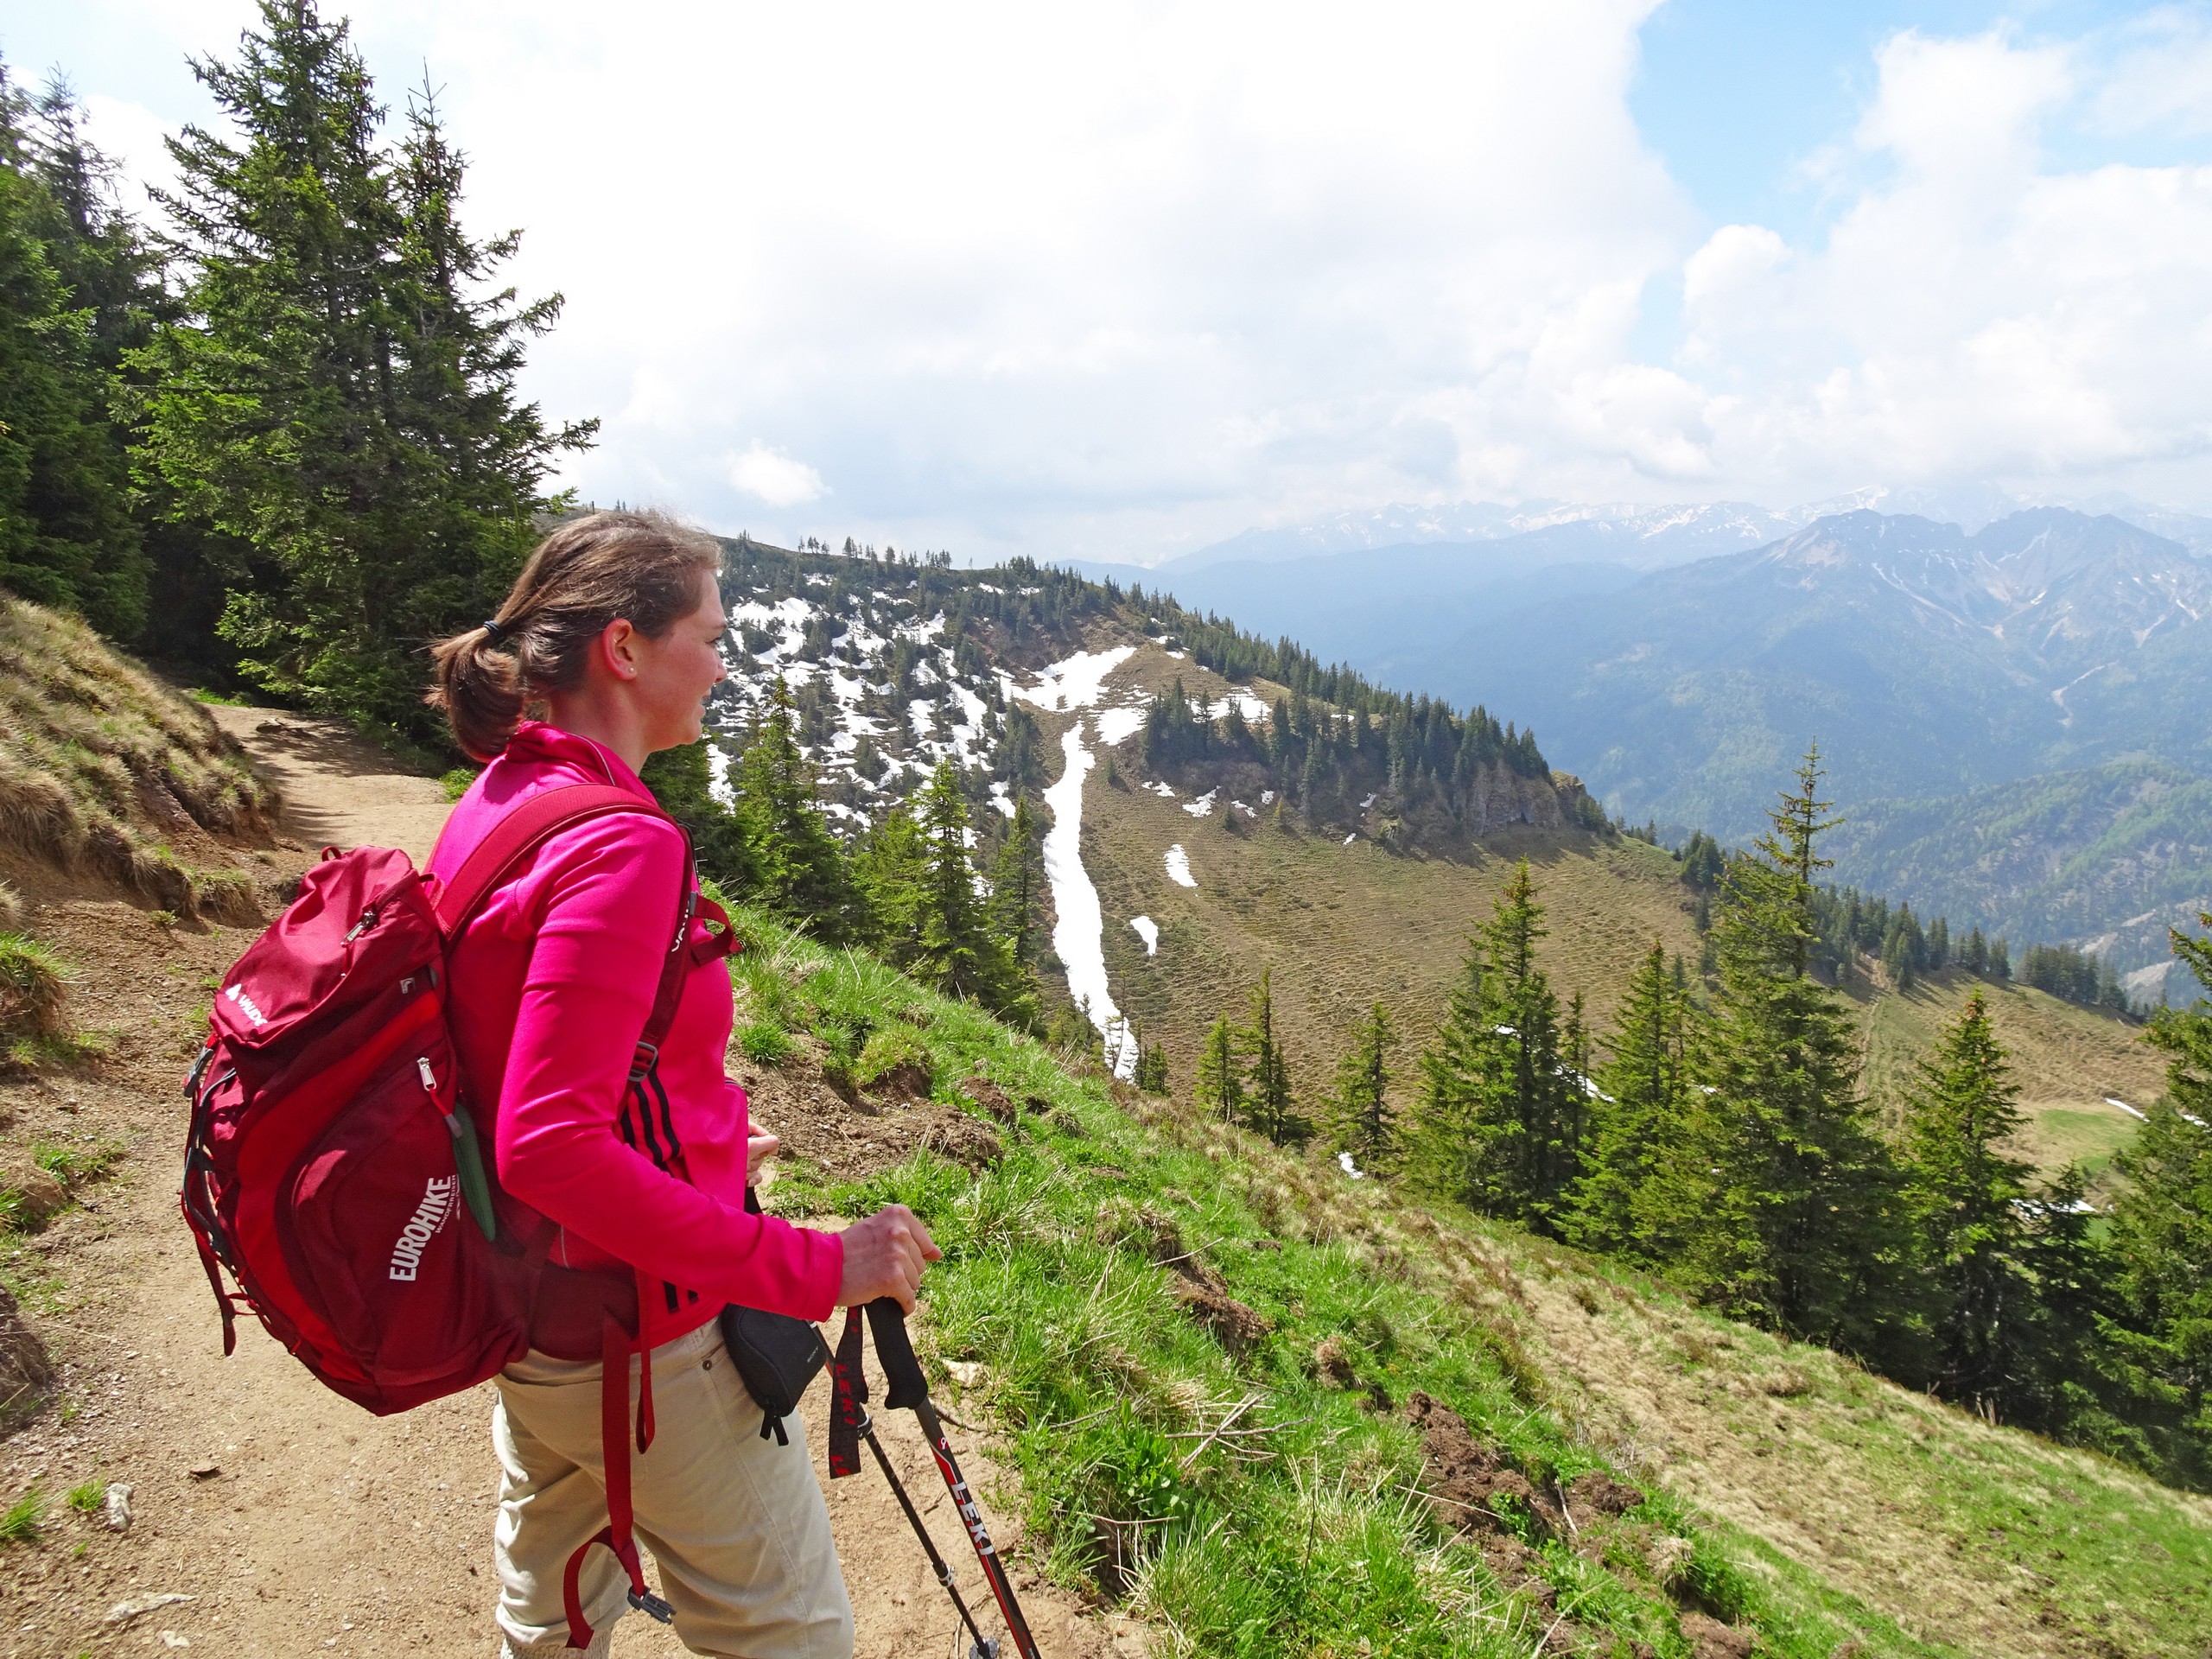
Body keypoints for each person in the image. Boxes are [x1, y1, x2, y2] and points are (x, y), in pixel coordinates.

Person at [427, 510, 938, 1658]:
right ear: (624, 648)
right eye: (707, 633)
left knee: (550, 1614)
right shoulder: (622, 843)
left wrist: (700, 1153)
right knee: (787, 1638)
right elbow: (550, 1143)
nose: (721, 660)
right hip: (647, 1344)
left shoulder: (500, 801)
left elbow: (518, 1058)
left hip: (530, 1320)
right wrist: (812, 1261)